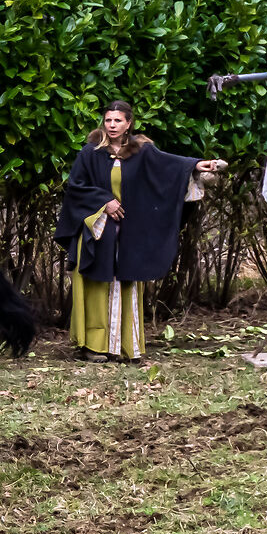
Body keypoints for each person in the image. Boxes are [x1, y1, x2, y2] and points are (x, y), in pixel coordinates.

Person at [55, 102, 226, 361]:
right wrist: (104, 201)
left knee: (127, 282)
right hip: (98, 230)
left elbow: (171, 167)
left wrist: (198, 165)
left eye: (118, 121)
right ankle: (95, 347)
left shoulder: (142, 151)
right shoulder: (91, 153)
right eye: (108, 120)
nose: (112, 125)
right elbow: (76, 187)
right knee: (96, 286)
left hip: (130, 232)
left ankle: (126, 347)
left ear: (129, 123)